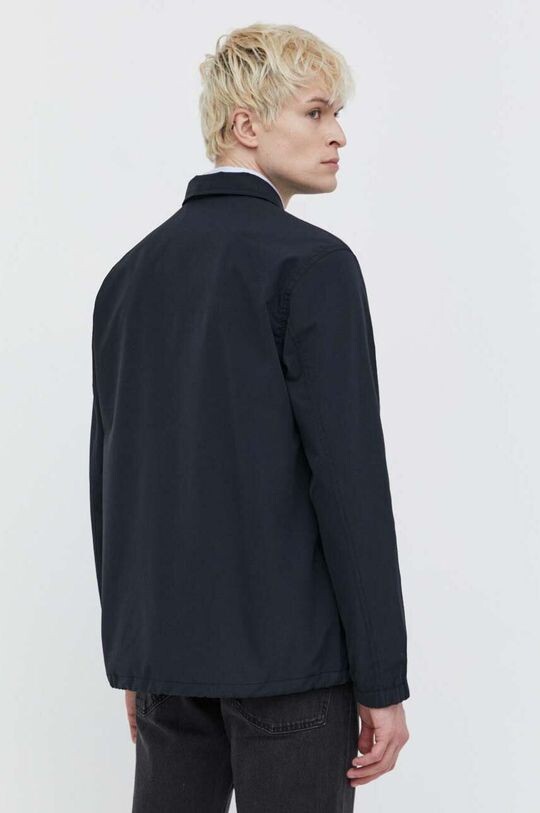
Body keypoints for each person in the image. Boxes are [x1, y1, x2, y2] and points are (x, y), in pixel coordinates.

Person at [89, 22, 411, 813]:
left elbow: (113, 480)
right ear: (247, 124)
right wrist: (382, 679)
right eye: (316, 112)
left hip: (166, 661)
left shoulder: (127, 278)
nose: (338, 136)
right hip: (292, 665)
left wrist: (135, 655)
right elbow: (349, 482)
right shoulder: (312, 264)